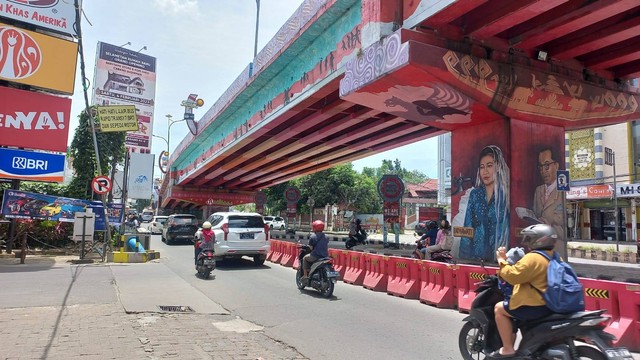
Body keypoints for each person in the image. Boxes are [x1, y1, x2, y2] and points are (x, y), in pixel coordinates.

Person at [491, 224, 556, 358]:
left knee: (499, 309)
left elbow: (513, 276)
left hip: (536, 306)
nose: (527, 243)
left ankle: (508, 348)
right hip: (552, 304)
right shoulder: (554, 256)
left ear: (538, 240)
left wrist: (502, 260)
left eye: (529, 239)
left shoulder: (533, 258)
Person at [459, 145, 510, 262]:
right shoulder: (475, 195)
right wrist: (464, 260)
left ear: (498, 167)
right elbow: (468, 228)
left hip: (499, 259)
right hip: (475, 258)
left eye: (490, 166)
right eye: (482, 167)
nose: (485, 171)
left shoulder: (506, 195)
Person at [533, 147, 565, 254]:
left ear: (556, 165)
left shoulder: (563, 192)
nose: (543, 171)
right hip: (540, 250)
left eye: (547, 165)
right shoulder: (538, 191)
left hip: (556, 251)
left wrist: (550, 227)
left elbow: (567, 230)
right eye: (540, 166)